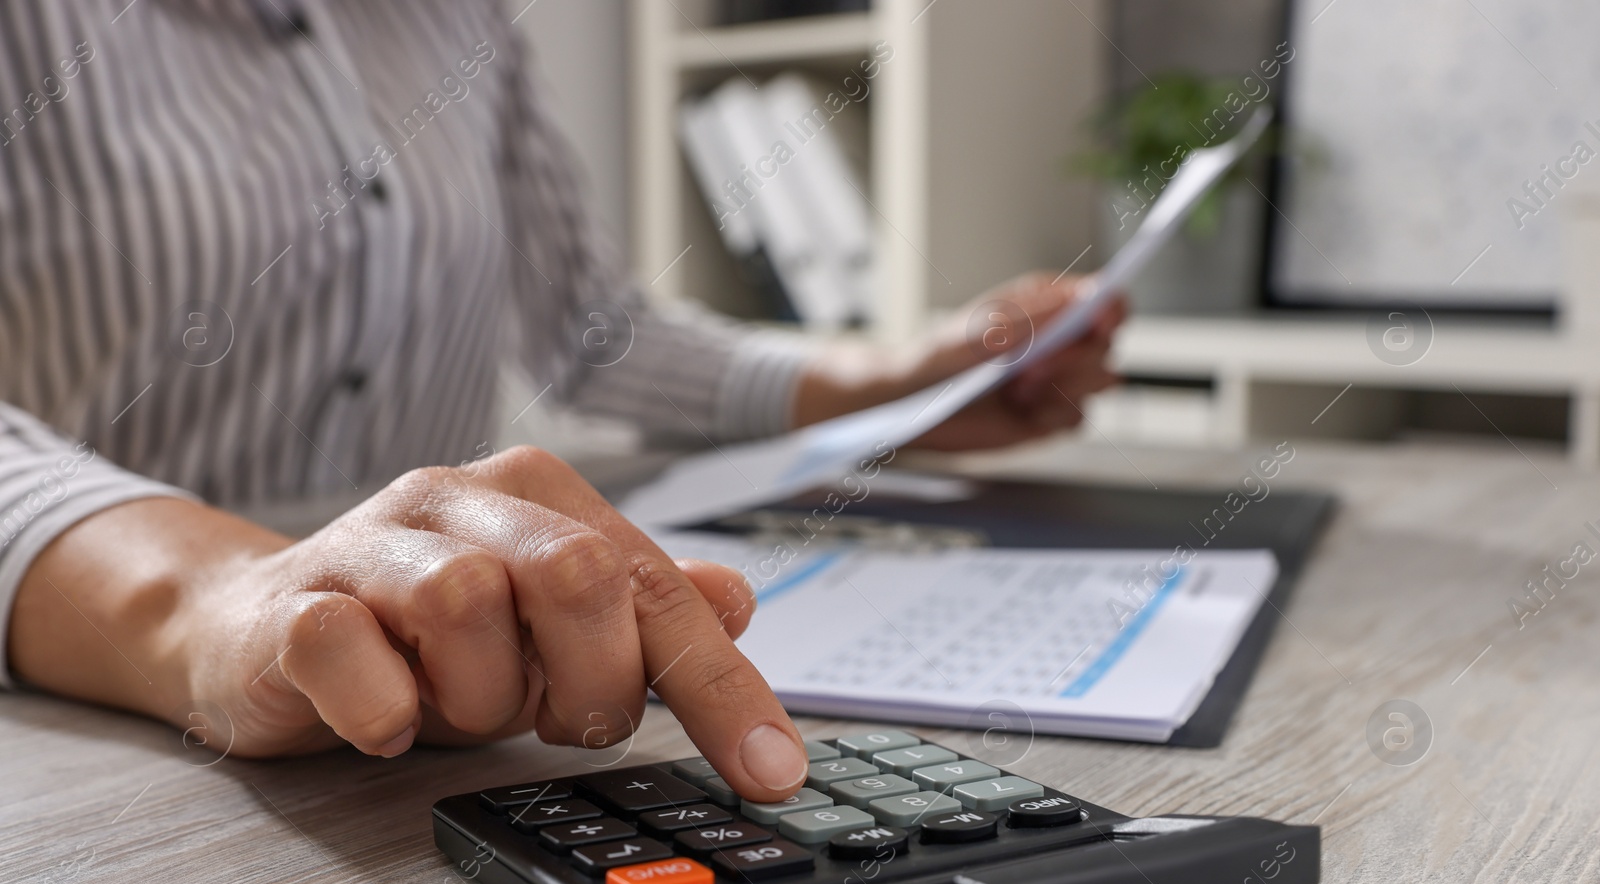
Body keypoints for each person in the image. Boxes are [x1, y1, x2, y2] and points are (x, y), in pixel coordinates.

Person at [0, 0, 1123, 803]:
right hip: (102, 736)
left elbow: (595, 329)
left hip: (455, 721)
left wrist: (885, 386)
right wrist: (210, 596)